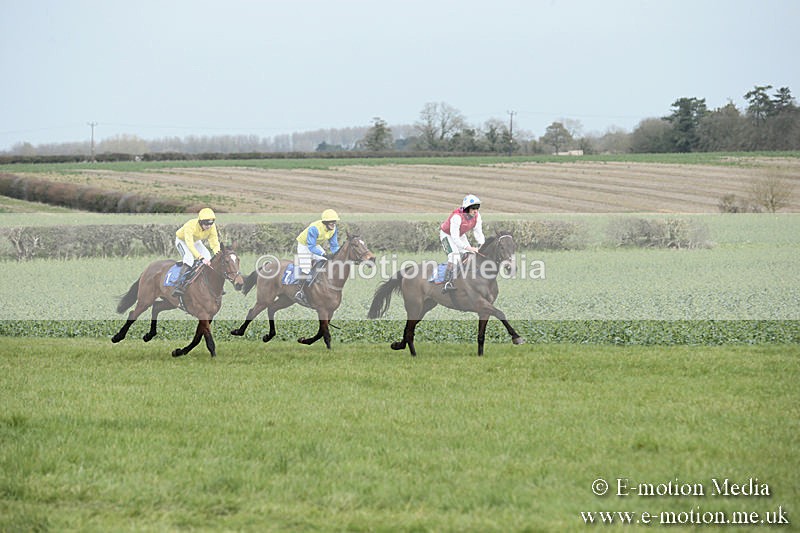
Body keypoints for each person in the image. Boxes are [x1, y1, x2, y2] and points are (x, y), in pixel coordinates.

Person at [439, 194, 484, 292]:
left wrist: (482, 245)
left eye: (477, 208)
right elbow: (454, 238)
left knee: (470, 255)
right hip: (447, 235)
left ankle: (464, 280)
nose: (475, 211)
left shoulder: (477, 216)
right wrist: (469, 247)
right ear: (466, 208)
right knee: (454, 257)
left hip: (460, 234)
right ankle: (447, 283)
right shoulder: (457, 217)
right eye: (473, 208)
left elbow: (478, 233)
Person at [294, 209, 341, 304]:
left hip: (315, 245)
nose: (333, 224)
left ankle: (318, 283)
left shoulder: (334, 229)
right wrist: (323, 254)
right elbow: (310, 246)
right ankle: (299, 291)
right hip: (304, 245)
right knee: (306, 269)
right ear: (325, 222)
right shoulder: (314, 228)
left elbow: (334, 245)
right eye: (331, 222)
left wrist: (337, 255)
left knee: (326, 262)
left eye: (334, 221)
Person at [172, 207, 221, 297]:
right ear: (200, 222)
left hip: (196, 241)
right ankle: (178, 284)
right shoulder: (190, 225)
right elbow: (189, 244)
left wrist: (218, 254)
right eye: (206, 224)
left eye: (211, 223)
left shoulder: (212, 227)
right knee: (189, 258)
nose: (209, 226)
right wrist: (200, 258)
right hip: (182, 241)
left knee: (209, 258)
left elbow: (214, 242)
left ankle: (209, 284)